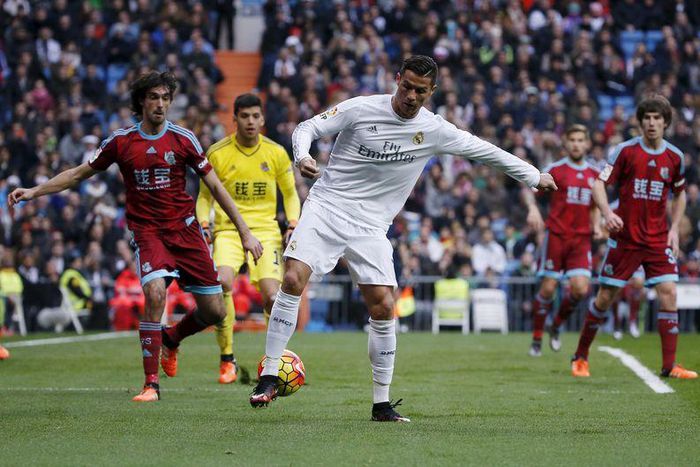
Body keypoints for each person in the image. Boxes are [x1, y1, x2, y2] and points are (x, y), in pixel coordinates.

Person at [249, 55, 557, 421]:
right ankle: (269, 375)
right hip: (327, 207)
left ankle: (381, 404)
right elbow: (306, 128)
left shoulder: (435, 129)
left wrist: (533, 176)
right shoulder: (362, 108)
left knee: (383, 306)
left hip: (371, 227)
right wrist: (302, 156)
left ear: (432, 92)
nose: (411, 95)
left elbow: (485, 151)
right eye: (406, 86)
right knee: (293, 278)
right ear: (397, 79)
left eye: (420, 91)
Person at [8, 71, 264, 401]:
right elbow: (78, 174)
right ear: (141, 101)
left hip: (185, 232)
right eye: (154, 97)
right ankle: (151, 384)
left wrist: (245, 232)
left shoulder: (184, 139)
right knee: (156, 293)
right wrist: (35, 191)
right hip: (149, 233)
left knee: (216, 312)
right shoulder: (121, 142)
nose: (160, 104)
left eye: (165, 98)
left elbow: (215, 187)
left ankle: (172, 338)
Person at [570, 94, 697, 379]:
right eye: (647, 118)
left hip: (656, 240)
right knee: (605, 298)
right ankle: (580, 356)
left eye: (657, 118)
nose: (652, 123)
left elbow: (680, 196)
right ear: (640, 122)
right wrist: (606, 214)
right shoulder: (624, 151)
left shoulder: (675, 157)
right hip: (625, 239)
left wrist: (674, 228)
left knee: (669, 293)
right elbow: (598, 184)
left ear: (666, 123)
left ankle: (669, 365)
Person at [196, 93, 300, 384]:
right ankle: (227, 359)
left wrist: (293, 223)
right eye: (245, 116)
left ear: (263, 119)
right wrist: (204, 224)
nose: (251, 122)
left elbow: (290, 194)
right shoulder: (217, 153)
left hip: (266, 231)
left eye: (256, 116)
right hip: (228, 230)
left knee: (271, 297)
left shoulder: (276, 153)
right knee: (223, 282)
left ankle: (274, 361)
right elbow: (204, 197)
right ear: (235, 119)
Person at [523, 124, 601, 357]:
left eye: (580, 140)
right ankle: (537, 339)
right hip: (556, 237)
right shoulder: (556, 169)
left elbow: (595, 205)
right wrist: (533, 209)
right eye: (572, 139)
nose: (576, 144)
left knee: (580, 290)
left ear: (587, 144)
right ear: (565, 143)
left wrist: (596, 224)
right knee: (547, 289)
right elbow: (529, 186)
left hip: (581, 240)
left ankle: (555, 325)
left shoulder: (595, 175)